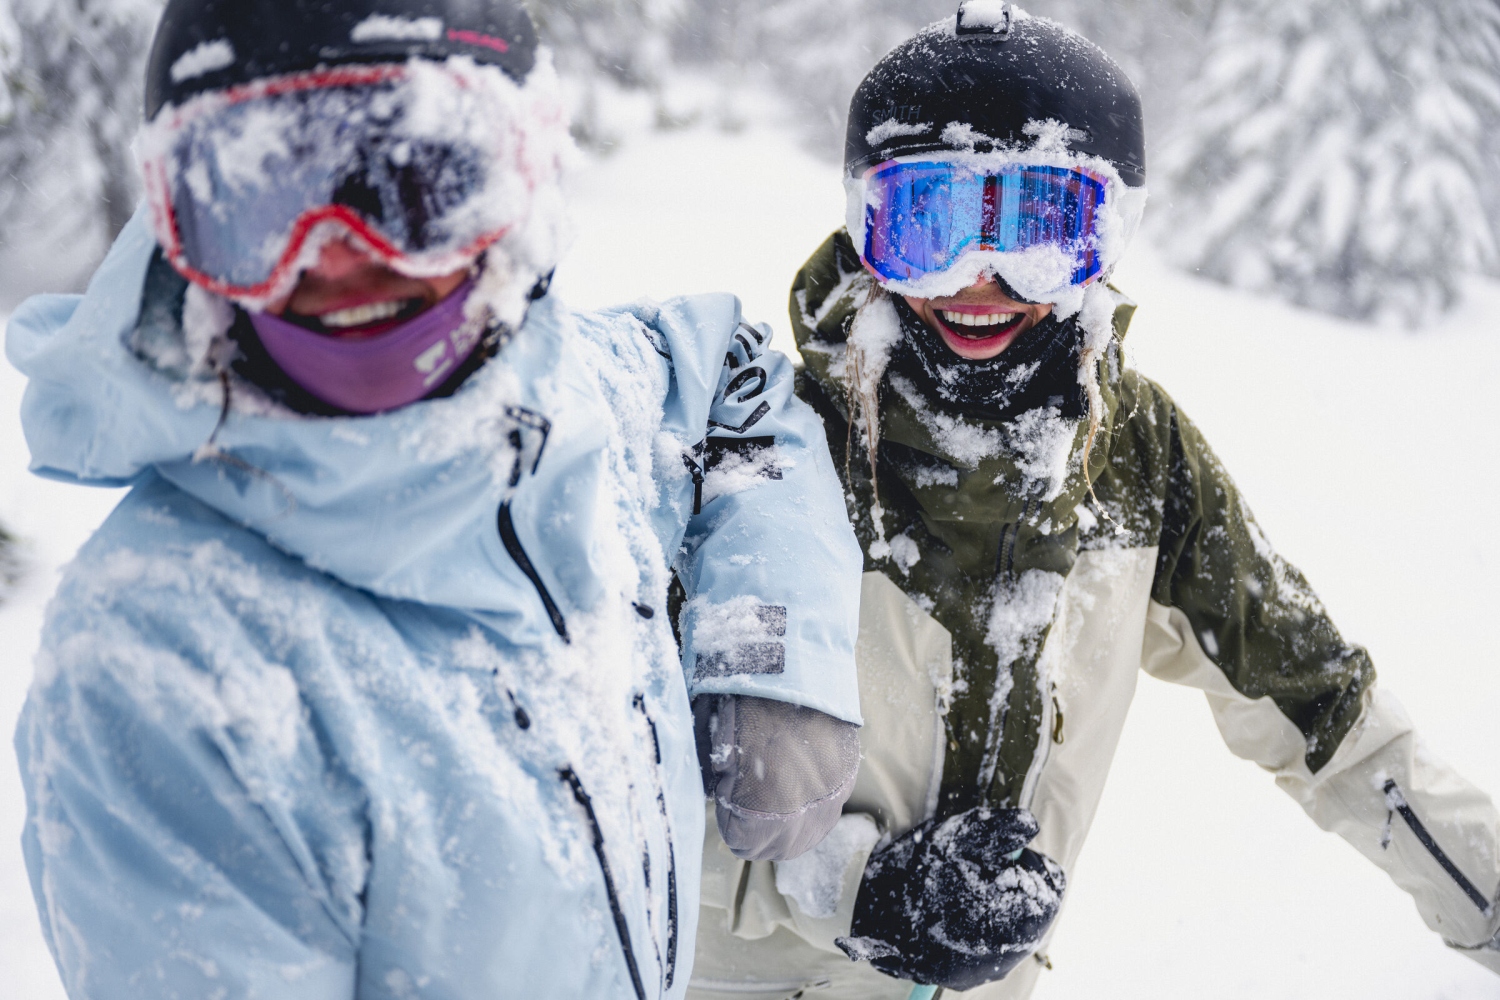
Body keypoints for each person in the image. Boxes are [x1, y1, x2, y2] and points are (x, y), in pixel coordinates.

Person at [7, 1, 866, 997]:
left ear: (523, 186)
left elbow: (736, 380)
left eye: (418, 181)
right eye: (261, 192)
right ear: (177, 223)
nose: (342, 254)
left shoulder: (580, 396)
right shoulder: (166, 666)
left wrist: (769, 646)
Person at [686, 4, 1500, 998]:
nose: (979, 278)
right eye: (929, 223)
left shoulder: (1133, 458)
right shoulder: (768, 437)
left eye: (1039, 226)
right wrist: (853, 891)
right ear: (866, 229)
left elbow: (1337, 724)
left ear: (1109, 234)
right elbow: (615, 782)